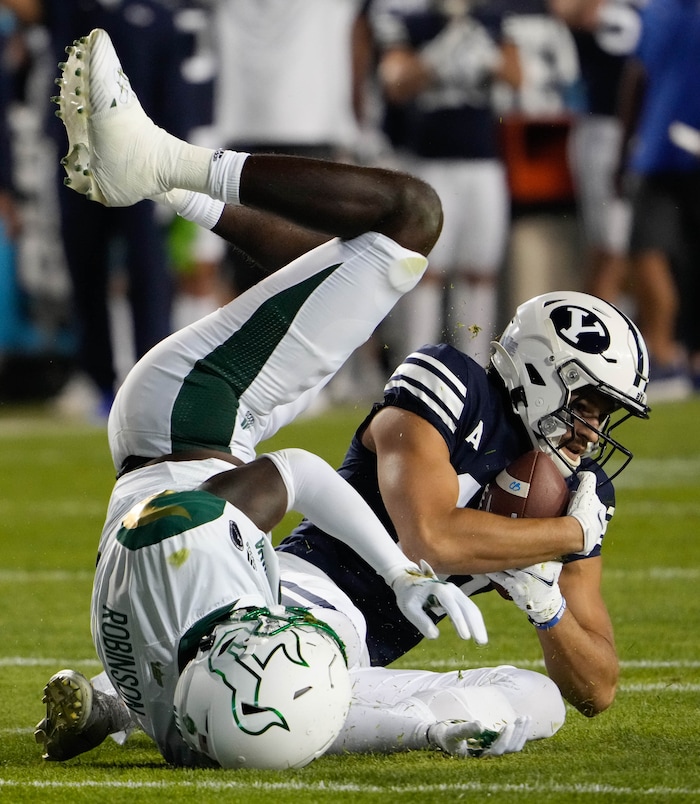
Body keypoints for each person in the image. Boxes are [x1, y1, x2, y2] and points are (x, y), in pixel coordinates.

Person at [36, 28, 565, 768]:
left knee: (410, 217)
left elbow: (301, 475)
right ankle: (170, 183)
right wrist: (431, 724)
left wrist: (400, 571)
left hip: (198, 412)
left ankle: (160, 160)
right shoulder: (202, 725)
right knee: (348, 267)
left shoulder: (187, 552)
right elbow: (309, 712)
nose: (285, 645)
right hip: (183, 445)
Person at [44, 0, 205, 419]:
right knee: (85, 269)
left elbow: (174, 96)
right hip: (79, 162)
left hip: (139, 165)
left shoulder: (156, 17)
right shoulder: (68, 11)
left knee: (149, 276)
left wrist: (174, 167)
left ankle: (154, 379)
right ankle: (96, 378)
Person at [368, 0, 521, 366]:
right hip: (430, 162)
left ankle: (475, 368)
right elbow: (396, 83)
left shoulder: (493, 20)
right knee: (426, 269)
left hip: (483, 160)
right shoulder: (415, 23)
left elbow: (517, 76)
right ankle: (414, 366)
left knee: (480, 270)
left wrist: (485, 56)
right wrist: (438, 55)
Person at [615, 0, 700, 400]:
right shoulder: (658, 10)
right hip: (658, 154)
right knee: (645, 247)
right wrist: (623, 151)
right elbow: (638, 77)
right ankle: (664, 356)